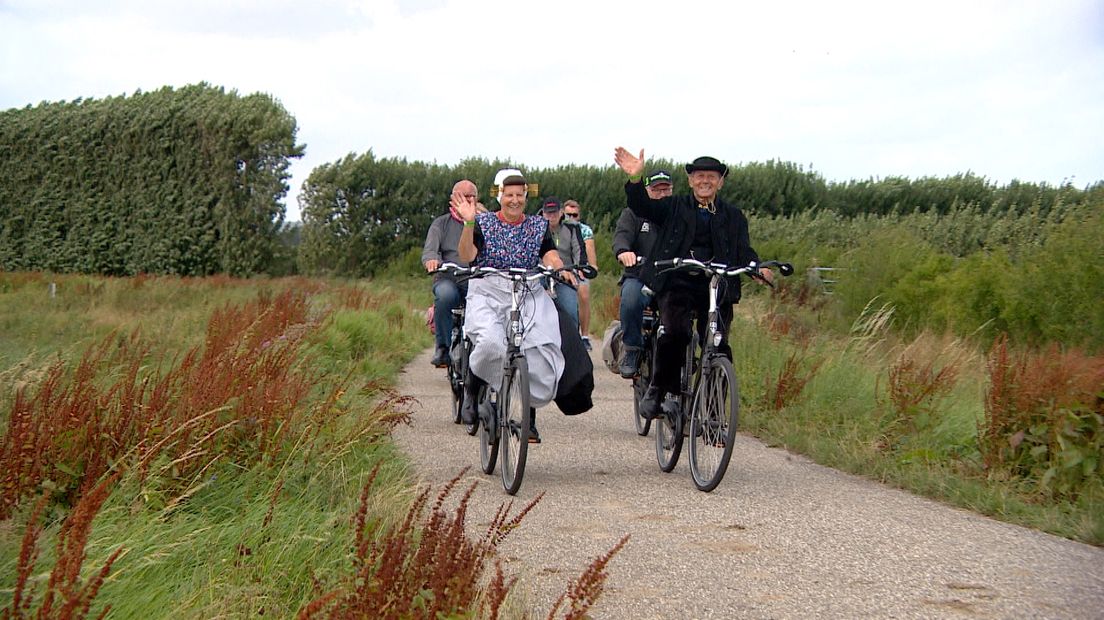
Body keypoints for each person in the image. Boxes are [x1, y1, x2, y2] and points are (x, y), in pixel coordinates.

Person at [612, 147, 773, 420]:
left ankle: (713, 413)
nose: (705, 181)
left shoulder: (734, 216)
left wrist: (758, 268)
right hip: (678, 282)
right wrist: (636, 180)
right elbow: (643, 207)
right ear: (690, 181)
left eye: (712, 176)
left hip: (717, 285)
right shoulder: (675, 206)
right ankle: (659, 390)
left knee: (720, 345)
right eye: (700, 176)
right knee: (676, 332)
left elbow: (743, 251)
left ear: (720, 182)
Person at [455, 171, 576, 443]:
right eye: (509, 195)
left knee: (535, 350)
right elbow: (467, 255)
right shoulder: (483, 222)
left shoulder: (537, 225)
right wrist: (468, 223)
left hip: (525, 289)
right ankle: (473, 390)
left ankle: (526, 418)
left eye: (519, 195)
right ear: (500, 196)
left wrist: (560, 268)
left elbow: (549, 253)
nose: (514, 200)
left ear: (525, 196)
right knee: (490, 345)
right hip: (488, 289)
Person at [611, 169, 672, 377]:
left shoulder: (679, 214)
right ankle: (632, 349)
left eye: (666, 189)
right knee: (629, 300)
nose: (662, 194)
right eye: (657, 190)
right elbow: (621, 236)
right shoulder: (633, 213)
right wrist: (624, 252)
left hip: (671, 278)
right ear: (647, 191)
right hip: (640, 274)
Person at [422, 179, 485, 367]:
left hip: (476, 277)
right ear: (453, 199)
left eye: (472, 196)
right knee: (445, 295)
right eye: (464, 196)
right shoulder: (440, 223)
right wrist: (432, 260)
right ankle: (443, 348)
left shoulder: (483, 222)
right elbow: (430, 249)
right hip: (448, 276)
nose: (468, 199)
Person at [539, 196, 584, 327]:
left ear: (561, 213)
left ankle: (574, 342)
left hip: (566, 275)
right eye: (548, 213)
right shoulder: (536, 228)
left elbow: (579, 250)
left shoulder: (572, 228)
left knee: (570, 310)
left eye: (554, 212)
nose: (551, 216)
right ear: (543, 213)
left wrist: (579, 268)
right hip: (539, 274)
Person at [563, 199, 597, 351]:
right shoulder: (557, 228)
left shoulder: (584, 230)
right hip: (560, 270)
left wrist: (590, 266)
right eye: (567, 215)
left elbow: (589, 249)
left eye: (574, 215)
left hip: (578, 268)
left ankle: (584, 336)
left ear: (579, 215)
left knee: (583, 293)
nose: (571, 218)